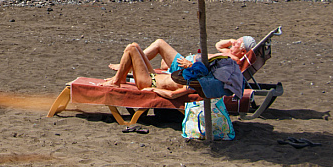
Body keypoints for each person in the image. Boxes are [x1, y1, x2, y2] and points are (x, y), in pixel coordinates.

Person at [103, 35, 256, 88]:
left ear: (243, 51)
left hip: (182, 68)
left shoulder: (231, 61)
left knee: (154, 44)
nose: (234, 43)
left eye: (238, 43)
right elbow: (218, 45)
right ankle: (122, 72)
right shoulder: (228, 53)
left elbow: (213, 72)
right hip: (181, 69)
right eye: (236, 41)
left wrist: (190, 65)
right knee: (135, 46)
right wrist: (231, 41)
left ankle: (119, 76)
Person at [99, 42, 191, 99]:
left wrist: (153, 89)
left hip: (149, 83)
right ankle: (122, 77)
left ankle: (116, 81)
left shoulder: (193, 85)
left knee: (131, 49)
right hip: (155, 76)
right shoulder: (193, 74)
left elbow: (172, 95)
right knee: (135, 45)